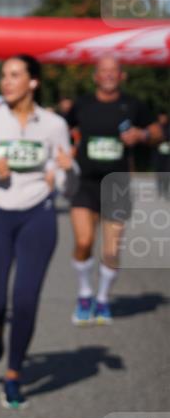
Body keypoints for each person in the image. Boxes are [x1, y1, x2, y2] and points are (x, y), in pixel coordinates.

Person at [0, 54, 78, 409]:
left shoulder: (53, 125)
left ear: (33, 82)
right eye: (4, 76)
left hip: (38, 214)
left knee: (25, 299)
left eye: (15, 75)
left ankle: (13, 374)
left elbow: (68, 188)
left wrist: (70, 169)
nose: (6, 82)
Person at [66, 57, 163, 325]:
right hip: (85, 182)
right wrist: (63, 156)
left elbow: (157, 132)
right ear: (95, 76)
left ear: (122, 76)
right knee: (84, 242)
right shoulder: (82, 104)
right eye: (103, 71)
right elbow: (62, 130)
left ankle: (103, 299)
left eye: (114, 71)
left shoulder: (134, 106)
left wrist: (142, 136)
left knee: (111, 249)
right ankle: (85, 293)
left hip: (117, 184)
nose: (108, 75)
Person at [155, 112, 170, 199]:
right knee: (159, 171)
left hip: (168, 155)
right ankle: (160, 189)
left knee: (167, 172)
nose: (162, 119)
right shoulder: (156, 127)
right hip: (158, 154)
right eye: (161, 117)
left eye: (164, 117)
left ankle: (166, 189)